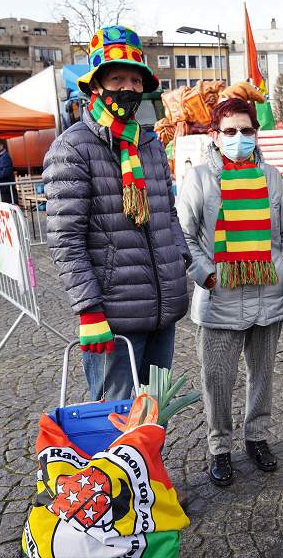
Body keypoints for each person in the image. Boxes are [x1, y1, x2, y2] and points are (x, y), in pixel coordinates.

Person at [44, 25, 191, 401]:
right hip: (114, 315)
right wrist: (89, 309)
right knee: (116, 414)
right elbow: (65, 239)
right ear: (96, 86)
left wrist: (179, 259)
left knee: (154, 409)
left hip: (162, 307)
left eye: (135, 80)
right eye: (117, 79)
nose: (128, 88)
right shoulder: (72, 148)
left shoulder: (150, 143)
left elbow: (168, 212)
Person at [177, 98, 283, 487]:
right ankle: (219, 447)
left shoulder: (272, 176)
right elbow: (184, 236)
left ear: (256, 133)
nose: (239, 137)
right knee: (217, 379)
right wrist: (205, 274)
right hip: (220, 298)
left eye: (246, 130)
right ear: (215, 136)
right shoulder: (199, 178)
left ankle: (257, 437)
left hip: (267, 294)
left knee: (262, 374)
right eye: (230, 131)